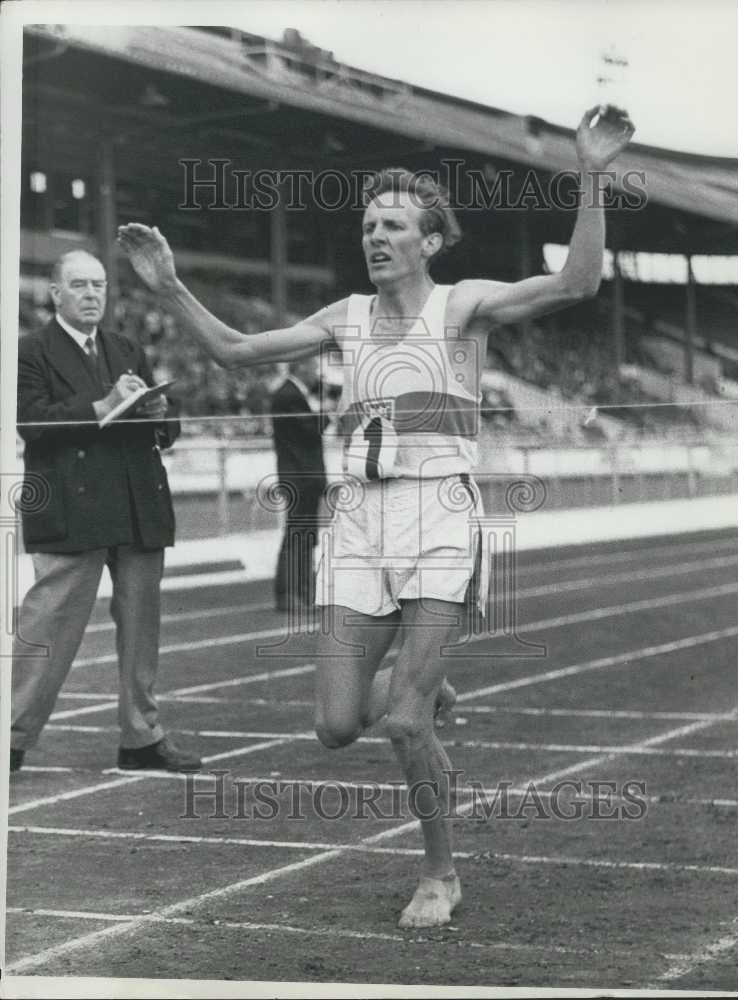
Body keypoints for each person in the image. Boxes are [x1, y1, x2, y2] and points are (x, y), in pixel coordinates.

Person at [118, 104, 635, 926]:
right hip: (356, 526)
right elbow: (237, 351)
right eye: (368, 223)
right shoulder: (344, 319)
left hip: (439, 521)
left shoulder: (462, 308)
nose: (376, 234)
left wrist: (593, 174)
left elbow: (577, 283)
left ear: (431, 241)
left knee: (401, 724)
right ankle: (416, 683)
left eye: (394, 223)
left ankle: (439, 871)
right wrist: (172, 285)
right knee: (333, 726)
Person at [11, 249, 200, 774]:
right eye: (79, 285)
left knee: (142, 629)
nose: (92, 295)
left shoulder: (126, 347)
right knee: (48, 626)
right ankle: (11, 734)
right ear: (54, 293)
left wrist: (161, 416)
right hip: (72, 510)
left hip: (137, 504)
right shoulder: (30, 351)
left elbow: (163, 431)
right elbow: (30, 423)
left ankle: (141, 736)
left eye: (98, 285)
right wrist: (100, 405)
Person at [269, 356, 328, 615]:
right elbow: (311, 430)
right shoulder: (289, 395)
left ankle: (301, 592)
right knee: (298, 536)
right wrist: (327, 410)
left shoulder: (291, 394)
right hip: (300, 475)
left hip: (301, 475)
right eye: (314, 367)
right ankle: (290, 593)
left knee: (304, 536)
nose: (317, 373)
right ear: (301, 367)